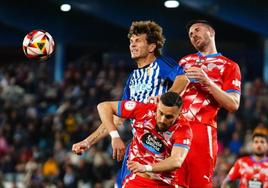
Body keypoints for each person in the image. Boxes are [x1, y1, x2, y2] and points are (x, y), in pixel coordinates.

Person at [72, 20, 189, 187]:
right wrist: (88, 142)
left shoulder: (161, 64)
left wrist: (165, 98)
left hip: (162, 144)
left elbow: (183, 78)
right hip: (139, 144)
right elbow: (118, 119)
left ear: (151, 47)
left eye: (138, 41)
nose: (132, 45)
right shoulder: (133, 78)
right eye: (131, 42)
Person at [176, 19, 242, 188]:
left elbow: (233, 104)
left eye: (197, 30)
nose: (193, 35)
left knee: (200, 183)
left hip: (202, 129)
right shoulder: (184, 62)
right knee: (172, 182)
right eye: (190, 34)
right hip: (175, 127)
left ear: (211, 32)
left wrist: (208, 83)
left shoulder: (229, 66)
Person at [97, 91, 192, 187]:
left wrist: (146, 167)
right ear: (157, 105)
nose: (162, 120)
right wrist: (115, 136)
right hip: (136, 181)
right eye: (160, 113)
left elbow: (176, 161)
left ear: (179, 114)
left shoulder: (183, 129)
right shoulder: (144, 110)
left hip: (163, 184)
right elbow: (104, 107)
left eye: (169, 117)